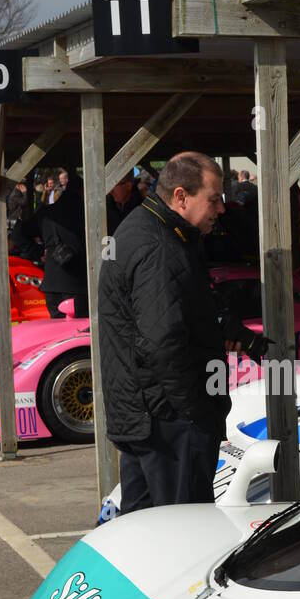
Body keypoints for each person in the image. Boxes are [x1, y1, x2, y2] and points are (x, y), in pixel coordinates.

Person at [98, 152, 231, 512]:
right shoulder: (158, 245)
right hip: (166, 423)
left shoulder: (146, 228)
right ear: (181, 197)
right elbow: (163, 341)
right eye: (214, 200)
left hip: (144, 416)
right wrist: (195, 412)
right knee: (183, 536)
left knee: (148, 535)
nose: (220, 210)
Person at [12, 175, 88, 317]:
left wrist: (39, 252)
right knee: (80, 333)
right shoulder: (85, 212)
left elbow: (18, 235)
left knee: (58, 332)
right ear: (82, 191)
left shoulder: (46, 212)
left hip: (52, 284)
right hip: (77, 286)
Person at [106, 171, 143, 236]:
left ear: (128, 186)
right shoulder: (105, 207)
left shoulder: (142, 208)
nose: (111, 191)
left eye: (114, 185)